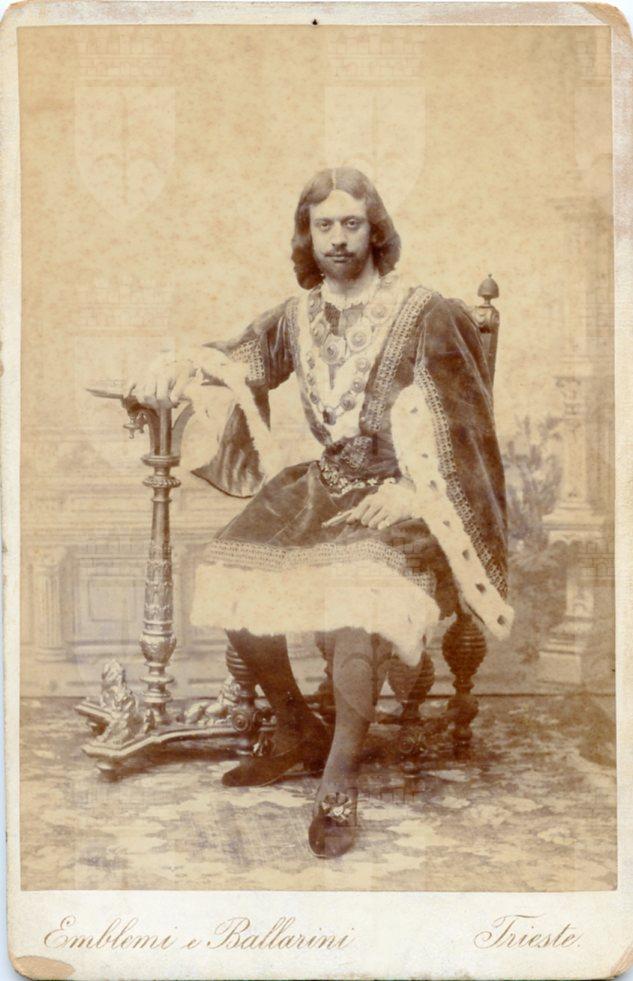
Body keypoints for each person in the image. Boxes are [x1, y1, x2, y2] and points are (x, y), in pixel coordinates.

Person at [127, 168, 514, 858]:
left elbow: (466, 428)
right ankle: (297, 728)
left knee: (353, 603)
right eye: (323, 225)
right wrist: (176, 363)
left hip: (406, 497)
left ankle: (338, 780)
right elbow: (236, 358)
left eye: (351, 224)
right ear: (307, 235)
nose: (337, 239)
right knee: (230, 567)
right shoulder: (296, 316)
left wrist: (414, 494)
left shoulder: (427, 312)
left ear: (376, 230)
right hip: (325, 483)